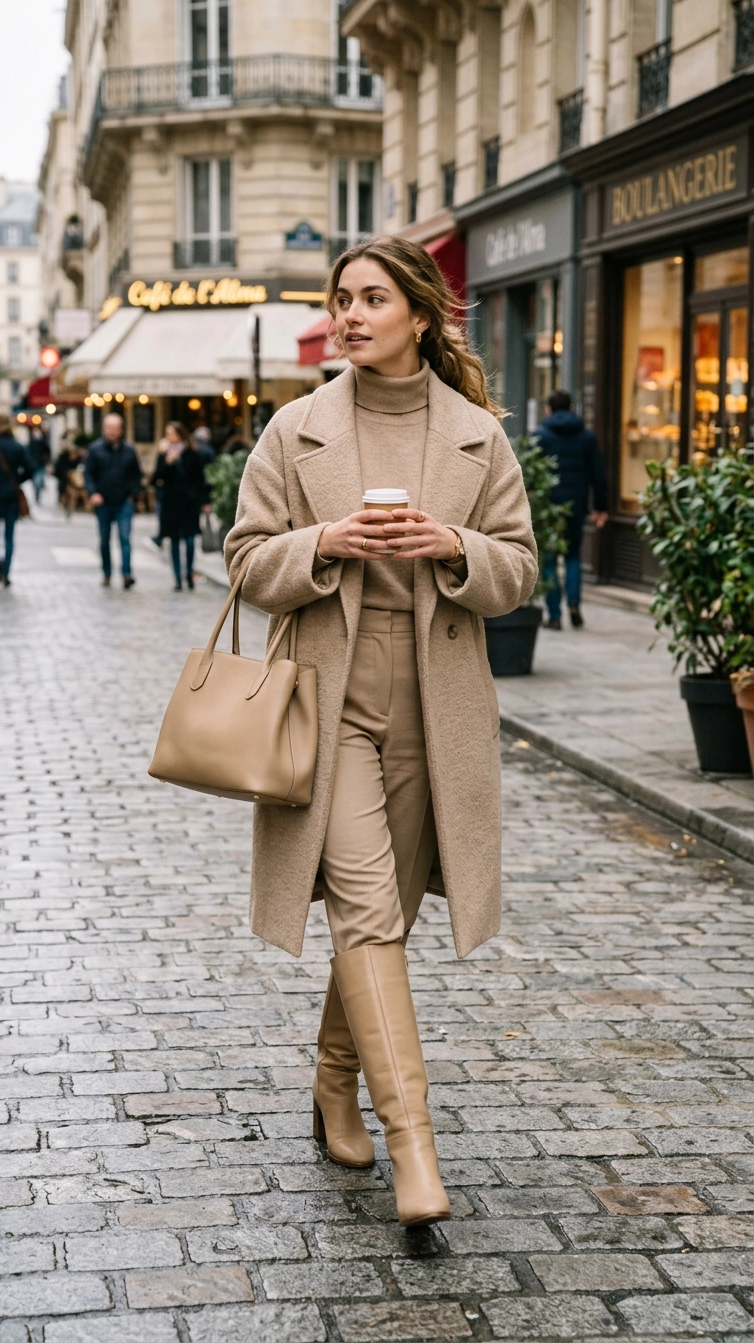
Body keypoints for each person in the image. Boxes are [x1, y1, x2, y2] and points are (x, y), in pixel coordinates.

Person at [224, 235, 537, 1228]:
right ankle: (415, 1144)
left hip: (432, 715)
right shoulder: (296, 428)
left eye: (370, 298)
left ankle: (330, 1081)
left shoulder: (479, 437)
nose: (350, 314)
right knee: (364, 913)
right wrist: (325, 542)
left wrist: (454, 544)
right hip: (329, 709)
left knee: (380, 924)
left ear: (419, 313)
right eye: (341, 297)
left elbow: (519, 570)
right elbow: (242, 559)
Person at [534, 389, 608, 629]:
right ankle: (574, 605)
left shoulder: (541, 436)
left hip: (549, 508)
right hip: (576, 505)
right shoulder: (586, 436)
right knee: (573, 555)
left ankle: (554, 616)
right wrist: (600, 507)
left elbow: (530, 474)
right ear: (572, 408)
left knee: (548, 560)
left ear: (549, 410)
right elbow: (599, 474)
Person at [84, 413, 142, 589]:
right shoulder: (95, 449)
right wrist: (93, 493)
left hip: (124, 501)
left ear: (121, 430)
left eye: (115, 428)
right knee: (104, 540)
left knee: (125, 538)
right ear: (104, 429)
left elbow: (136, 474)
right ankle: (107, 573)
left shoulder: (129, 450)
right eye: (109, 428)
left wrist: (133, 494)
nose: (112, 432)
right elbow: (88, 474)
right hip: (103, 502)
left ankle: (126, 573)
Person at [152, 421, 206, 590]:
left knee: (190, 542)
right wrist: (167, 462)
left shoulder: (191, 453)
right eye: (167, 434)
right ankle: (177, 578)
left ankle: (188, 572)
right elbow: (156, 478)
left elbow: (199, 479)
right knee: (174, 542)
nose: (168, 437)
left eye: (171, 434)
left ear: (180, 435)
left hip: (189, 504)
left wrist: (203, 501)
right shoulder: (163, 454)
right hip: (171, 504)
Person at [0, 413, 34, 586]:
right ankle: (6, 572)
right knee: (9, 536)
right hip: (11, 497)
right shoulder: (17, 447)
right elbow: (31, 468)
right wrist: (17, 481)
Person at [54, 436, 87, 517]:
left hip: (75, 476)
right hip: (64, 477)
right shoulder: (63, 457)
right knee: (63, 484)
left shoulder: (79, 459)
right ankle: (62, 500)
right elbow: (59, 468)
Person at [27, 425, 51, 503]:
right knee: (35, 481)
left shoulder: (43, 441)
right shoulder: (31, 442)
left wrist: (47, 461)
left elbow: (47, 451)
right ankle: (36, 494)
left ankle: (38, 494)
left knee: (39, 481)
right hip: (33, 464)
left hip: (40, 463)